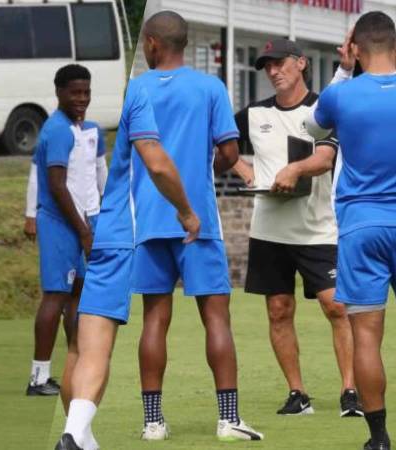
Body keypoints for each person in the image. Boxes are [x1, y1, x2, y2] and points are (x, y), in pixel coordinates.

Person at [130, 11, 263, 442]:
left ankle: (153, 423)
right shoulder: (210, 87)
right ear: (184, 43)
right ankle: (228, 419)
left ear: (151, 43)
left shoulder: (136, 89)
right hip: (198, 220)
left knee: (155, 318)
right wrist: (207, 165)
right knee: (216, 317)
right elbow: (229, 150)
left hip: (149, 219)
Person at [53, 71, 201, 450]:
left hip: (104, 231)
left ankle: (75, 434)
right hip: (125, 235)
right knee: (131, 329)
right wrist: (186, 211)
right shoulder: (139, 94)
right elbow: (157, 164)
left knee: (88, 347)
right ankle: (77, 434)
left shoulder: (115, 107)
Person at [232, 37, 361, 417]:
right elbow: (217, 144)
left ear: (301, 63)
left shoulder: (326, 108)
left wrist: (294, 170)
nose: (273, 72)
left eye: (279, 63)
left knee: (336, 306)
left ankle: (350, 391)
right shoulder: (253, 115)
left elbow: (324, 160)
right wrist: (244, 169)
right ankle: (297, 394)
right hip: (268, 231)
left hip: (319, 229)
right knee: (278, 310)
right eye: (266, 66)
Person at [306, 11, 396, 450]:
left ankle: (378, 438)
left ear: (355, 48)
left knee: (366, 335)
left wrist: (344, 68)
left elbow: (311, 127)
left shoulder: (341, 96)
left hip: (362, 226)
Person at [25, 64, 108, 398]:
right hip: (61, 222)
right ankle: (37, 377)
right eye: (75, 92)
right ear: (59, 92)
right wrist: (83, 232)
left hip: (84, 219)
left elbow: (95, 179)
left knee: (78, 293)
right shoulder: (57, 129)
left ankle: (75, 367)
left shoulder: (89, 130)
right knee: (56, 295)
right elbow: (57, 186)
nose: (82, 99)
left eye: (86, 92)